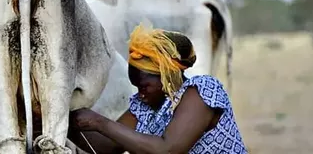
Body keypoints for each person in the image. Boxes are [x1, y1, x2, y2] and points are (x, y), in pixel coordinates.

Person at [66, 23, 248, 154]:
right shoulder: (144, 107)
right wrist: (64, 123)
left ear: (165, 75)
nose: (140, 94)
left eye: (144, 86)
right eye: (137, 87)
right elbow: (108, 147)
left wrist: (99, 122)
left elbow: (168, 149)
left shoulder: (201, 91)